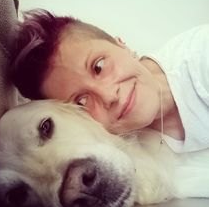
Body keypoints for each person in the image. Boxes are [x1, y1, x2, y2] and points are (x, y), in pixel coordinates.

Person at [11, 9, 209, 153]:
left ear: (121, 44)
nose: (108, 96)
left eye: (99, 66)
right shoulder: (120, 150)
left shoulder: (201, 55)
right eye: (81, 101)